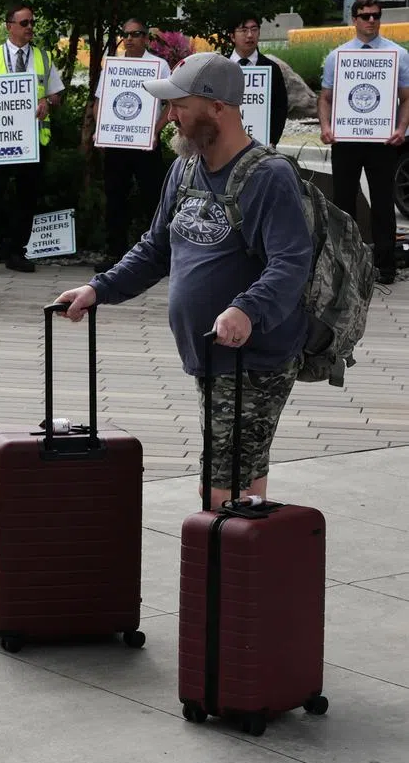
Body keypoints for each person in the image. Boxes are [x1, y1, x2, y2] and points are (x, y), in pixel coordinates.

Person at [55, 53, 312, 508]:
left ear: (217, 107)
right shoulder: (186, 168)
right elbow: (156, 249)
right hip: (211, 356)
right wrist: (98, 289)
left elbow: (291, 262)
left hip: (253, 360)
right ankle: (246, 571)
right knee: (243, 484)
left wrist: (246, 309)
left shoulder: (268, 176)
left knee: (219, 490)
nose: (168, 115)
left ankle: (223, 572)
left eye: (179, 104)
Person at [0, 2, 65, 277]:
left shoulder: (43, 57)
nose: (30, 27)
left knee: (26, 199)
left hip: (33, 142)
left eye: (32, 22)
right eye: (24, 23)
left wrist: (47, 102)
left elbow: (56, 95)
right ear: (9, 26)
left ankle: (16, 252)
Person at [318, 0, 409, 286]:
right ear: (354, 19)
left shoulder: (398, 55)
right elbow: (326, 98)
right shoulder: (338, 56)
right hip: (346, 139)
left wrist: (402, 128)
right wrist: (325, 126)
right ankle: (344, 266)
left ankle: (385, 267)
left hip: (383, 141)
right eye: (366, 15)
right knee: (343, 203)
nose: (372, 20)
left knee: (383, 203)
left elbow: (406, 98)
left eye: (376, 15)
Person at [88, 17, 170, 271]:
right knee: (115, 197)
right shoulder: (113, 66)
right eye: (126, 34)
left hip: (146, 144)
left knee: (153, 199)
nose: (130, 39)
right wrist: (101, 130)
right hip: (117, 143)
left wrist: (155, 131)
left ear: (146, 38)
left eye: (136, 34)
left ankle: (158, 255)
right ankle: (114, 253)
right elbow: (99, 102)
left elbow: (171, 104)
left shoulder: (159, 66)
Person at [227, 14, 288, 148]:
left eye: (254, 29)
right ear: (232, 36)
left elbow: (280, 107)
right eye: (244, 30)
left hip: (261, 145)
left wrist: (272, 140)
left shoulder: (271, 68)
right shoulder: (221, 67)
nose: (250, 35)